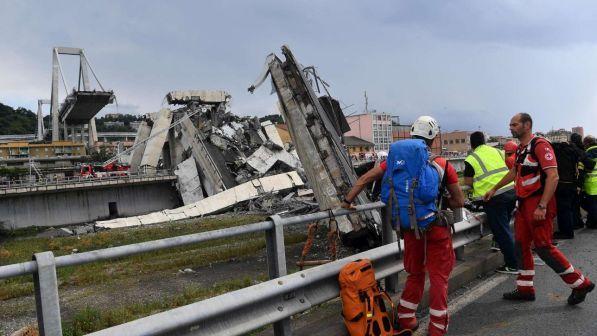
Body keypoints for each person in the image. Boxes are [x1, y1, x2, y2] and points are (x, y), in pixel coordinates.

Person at [341, 116, 464, 336]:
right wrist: (441, 201)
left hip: (408, 227)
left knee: (415, 273)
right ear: (432, 137)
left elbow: (365, 179)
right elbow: (459, 201)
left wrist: (347, 201)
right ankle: (437, 328)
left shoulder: (394, 161)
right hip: (435, 227)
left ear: (411, 134)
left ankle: (406, 319)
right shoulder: (442, 164)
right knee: (438, 277)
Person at [484, 113, 594, 305]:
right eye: (510, 124)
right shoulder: (520, 149)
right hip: (524, 204)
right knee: (520, 244)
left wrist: (542, 205)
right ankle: (525, 288)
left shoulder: (540, 145)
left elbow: (553, 176)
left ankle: (580, 283)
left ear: (527, 125)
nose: (510, 127)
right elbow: (514, 172)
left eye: (514, 124)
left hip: (538, 203)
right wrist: (494, 189)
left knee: (543, 247)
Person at [463, 131, 517, 273]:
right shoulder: (498, 151)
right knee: (504, 227)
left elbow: (468, 182)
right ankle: (501, 246)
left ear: (472, 144)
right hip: (511, 191)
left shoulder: (471, 158)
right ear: (484, 141)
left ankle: (512, 264)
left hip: (494, 196)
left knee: (502, 231)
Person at [580, 136, 597, 228]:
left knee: (592, 205)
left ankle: (594, 223)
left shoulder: (588, 153)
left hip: (592, 183)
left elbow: (585, 168)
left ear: (587, 143)